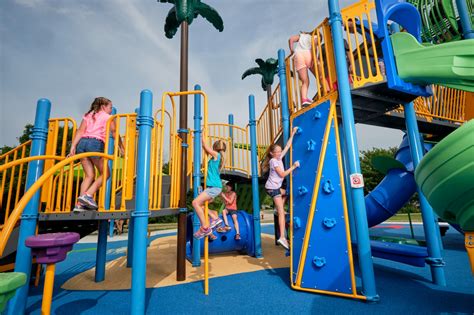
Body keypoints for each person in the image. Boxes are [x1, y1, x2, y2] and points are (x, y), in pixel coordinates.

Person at [69, 97, 124, 210]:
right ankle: (88, 195)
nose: (111, 109)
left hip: (82, 144)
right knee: (106, 174)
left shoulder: (89, 115)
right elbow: (114, 133)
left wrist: (73, 146)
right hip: (95, 144)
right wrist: (121, 147)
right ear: (103, 107)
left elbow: (80, 131)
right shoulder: (109, 117)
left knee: (89, 175)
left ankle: (80, 204)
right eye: (110, 107)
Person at [263, 127, 300, 250]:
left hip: (275, 188)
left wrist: (293, 133)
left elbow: (288, 146)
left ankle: (277, 207)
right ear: (272, 154)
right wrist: (294, 166)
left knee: (287, 192)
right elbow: (283, 174)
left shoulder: (278, 157)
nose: (279, 153)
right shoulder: (274, 161)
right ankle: (282, 237)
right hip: (272, 189)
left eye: (280, 151)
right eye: (277, 152)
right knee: (281, 213)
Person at [192, 136, 227, 239]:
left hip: (214, 187)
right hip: (213, 187)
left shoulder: (217, 155)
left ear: (215, 148)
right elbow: (205, 149)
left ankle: (205, 227)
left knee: (195, 203)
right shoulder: (215, 158)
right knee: (201, 206)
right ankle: (214, 216)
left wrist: (201, 135)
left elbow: (205, 146)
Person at [289, 32, 329, 107]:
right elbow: (314, 46)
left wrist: (291, 50)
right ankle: (327, 90)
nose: (319, 43)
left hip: (298, 56)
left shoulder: (302, 36)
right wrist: (315, 59)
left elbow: (291, 39)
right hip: (308, 55)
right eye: (320, 42)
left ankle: (304, 100)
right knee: (320, 75)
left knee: (305, 81)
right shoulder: (316, 36)